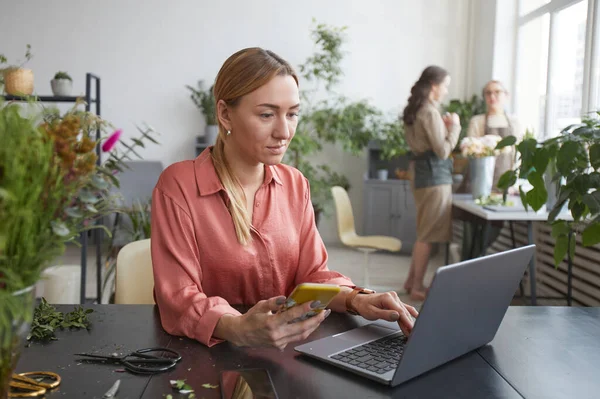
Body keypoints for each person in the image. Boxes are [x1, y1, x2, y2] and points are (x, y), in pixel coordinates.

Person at [151, 47, 418, 349]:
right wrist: (237, 327)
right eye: (267, 115)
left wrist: (358, 298)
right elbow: (177, 296)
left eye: (292, 114)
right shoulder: (179, 186)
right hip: (207, 356)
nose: (284, 131)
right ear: (225, 114)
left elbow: (313, 275)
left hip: (287, 352)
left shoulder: (295, 184)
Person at [402, 66, 461, 301]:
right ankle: (417, 286)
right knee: (426, 234)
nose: (446, 91)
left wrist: (443, 129)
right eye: (445, 86)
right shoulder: (429, 111)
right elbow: (443, 150)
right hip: (434, 177)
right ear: (435, 86)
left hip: (421, 175)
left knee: (423, 231)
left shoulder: (416, 109)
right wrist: (454, 126)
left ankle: (410, 281)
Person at [467, 80, 524, 188]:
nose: (492, 96)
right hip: (482, 178)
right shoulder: (477, 121)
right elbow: (472, 152)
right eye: (488, 93)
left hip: (507, 179)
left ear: (506, 95)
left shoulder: (514, 122)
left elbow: (517, 153)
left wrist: (514, 182)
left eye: (497, 92)